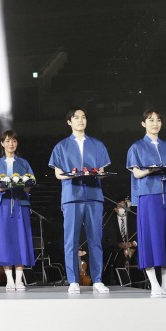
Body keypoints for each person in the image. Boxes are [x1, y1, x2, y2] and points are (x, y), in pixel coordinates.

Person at [48, 107, 111, 295]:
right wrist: (71, 175)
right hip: (72, 196)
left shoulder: (97, 144)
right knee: (71, 240)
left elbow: (102, 172)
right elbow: (58, 174)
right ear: (69, 122)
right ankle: (73, 280)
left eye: (83, 117)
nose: (81, 120)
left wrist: (98, 173)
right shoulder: (61, 146)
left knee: (95, 239)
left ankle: (97, 279)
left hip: (93, 196)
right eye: (76, 118)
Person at [127, 110, 166, 297]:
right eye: (151, 120)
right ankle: (154, 285)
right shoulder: (136, 147)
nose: (155, 123)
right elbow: (136, 173)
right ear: (143, 123)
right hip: (148, 195)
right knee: (151, 238)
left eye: (158, 120)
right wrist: (151, 170)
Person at [0, 130, 35, 291]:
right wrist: (5, 186)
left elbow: (29, 186)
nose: (10, 144)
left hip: (20, 204)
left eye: (13, 141)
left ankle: (19, 279)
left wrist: (21, 185)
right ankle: (9, 279)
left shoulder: (23, 163)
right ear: (2, 143)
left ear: (17, 143)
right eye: (7, 141)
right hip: (1, 205)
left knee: (21, 239)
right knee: (4, 241)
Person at [102, 197, 137, 286]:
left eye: (123, 206)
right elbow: (106, 240)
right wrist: (118, 245)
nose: (122, 209)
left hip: (134, 251)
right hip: (117, 252)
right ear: (115, 209)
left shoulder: (134, 219)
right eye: (119, 207)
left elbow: (141, 236)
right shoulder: (109, 222)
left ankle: (136, 283)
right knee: (116, 261)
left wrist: (133, 244)